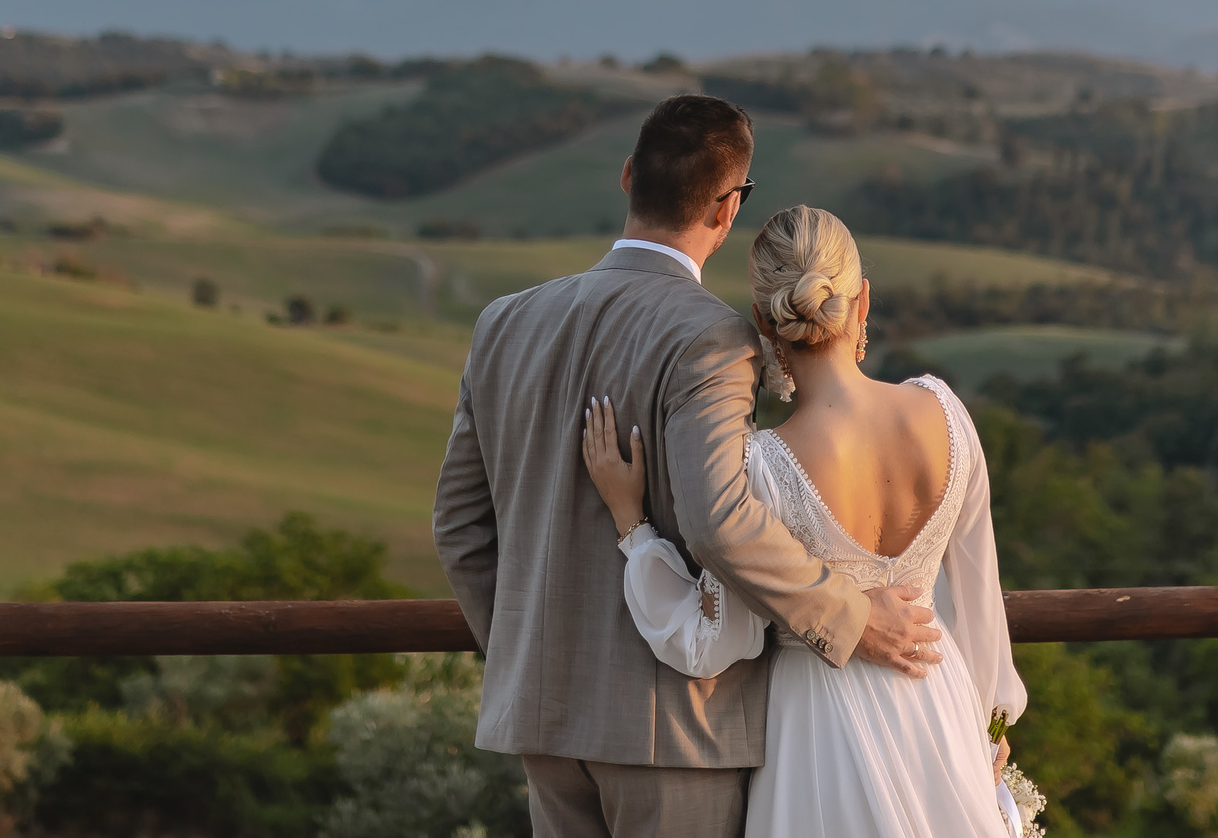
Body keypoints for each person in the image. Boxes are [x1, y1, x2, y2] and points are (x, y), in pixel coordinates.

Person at [435, 96, 946, 838]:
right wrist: (852, 617)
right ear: (728, 206)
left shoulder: (504, 321)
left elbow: (457, 527)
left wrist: (527, 654)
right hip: (675, 726)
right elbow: (718, 518)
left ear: (628, 175)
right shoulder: (714, 337)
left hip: (540, 722)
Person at [579, 205, 1026, 838]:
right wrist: (986, 732)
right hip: (939, 700)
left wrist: (632, 525)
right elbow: (981, 609)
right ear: (861, 299)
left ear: (763, 320)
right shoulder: (947, 415)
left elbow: (709, 642)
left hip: (820, 729)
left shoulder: (759, 467)